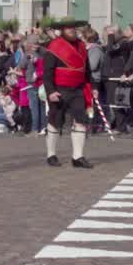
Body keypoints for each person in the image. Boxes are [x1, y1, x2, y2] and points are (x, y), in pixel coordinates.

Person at [43, 19, 95, 169]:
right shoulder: (54, 46)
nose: (72, 30)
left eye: (73, 27)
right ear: (62, 30)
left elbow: (87, 69)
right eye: (68, 28)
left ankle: (77, 157)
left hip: (78, 89)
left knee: (81, 120)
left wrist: (93, 87)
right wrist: (51, 91)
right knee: (55, 121)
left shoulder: (81, 46)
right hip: (59, 89)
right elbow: (48, 72)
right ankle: (51, 154)